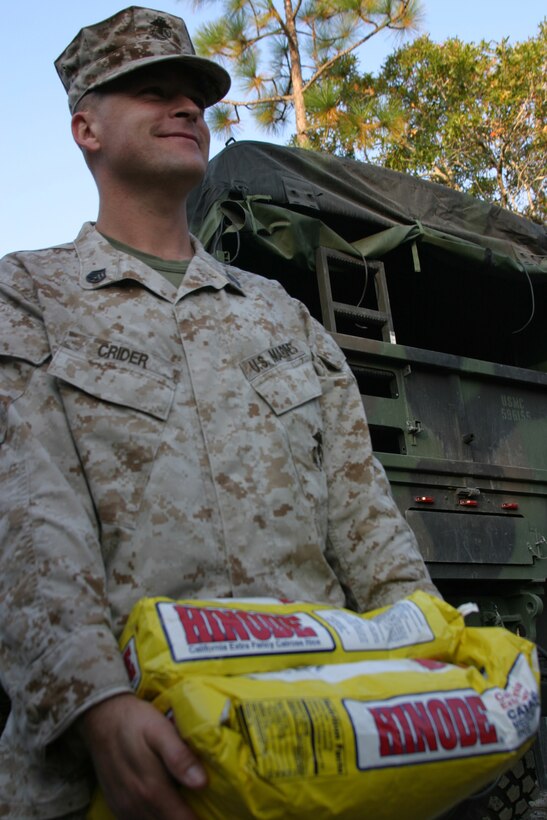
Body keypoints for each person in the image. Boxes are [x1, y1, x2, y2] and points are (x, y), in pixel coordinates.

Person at [0, 6, 439, 818]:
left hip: (319, 742)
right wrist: (94, 703)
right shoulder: (27, 295)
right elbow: (29, 516)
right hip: (130, 760)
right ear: (85, 128)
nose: (185, 110)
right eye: (150, 91)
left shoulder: (278, 313)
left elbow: (362, 510)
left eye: (194, 97)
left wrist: (425, 641)